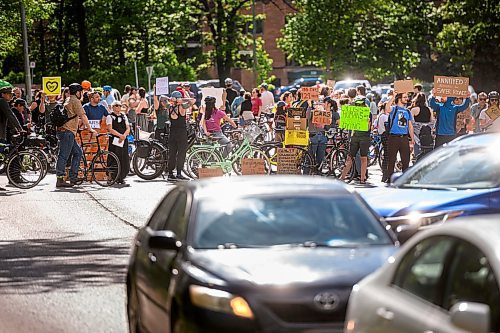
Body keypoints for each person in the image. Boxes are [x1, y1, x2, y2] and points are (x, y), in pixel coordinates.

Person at [55, 83, 96, 188]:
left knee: (78, 152)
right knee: (64, 155)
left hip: (66, 131)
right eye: (81, 92)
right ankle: (60, 179)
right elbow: (83, 115)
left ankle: (73, 177)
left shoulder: (68, 99)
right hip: (67, 132)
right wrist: (90, 128)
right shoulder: (75, 101)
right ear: (78, 92)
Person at [340, 88, 372, 184]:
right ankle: (343, 177)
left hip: (363, 137)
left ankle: (362, 178)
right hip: (357, 137)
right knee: (352, 157)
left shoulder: (367, 113)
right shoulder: (354, 112)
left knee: (361, 158)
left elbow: (368, 127)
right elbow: (347, 124)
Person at [383, 92, 414, 182]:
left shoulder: (407, 111)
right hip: (393, 137)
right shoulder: (394, 109)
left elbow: (410, 125)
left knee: (406, 160)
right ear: (399, 98)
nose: (407, 98)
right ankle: (390, 178)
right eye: (404, 97)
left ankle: (405, 179)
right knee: (391, 159)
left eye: (407, 97)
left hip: (404, 138)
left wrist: (412, 138)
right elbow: (387, 109)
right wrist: (393, 96)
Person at [166, 90, 194, 181]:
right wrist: (182, 100)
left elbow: (162, 99)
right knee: (181, 153)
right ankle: (178, 173)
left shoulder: (169, 107)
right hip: (181, 132)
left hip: (172, 131)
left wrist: (172, 100)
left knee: (172, 153)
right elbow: (192, 101)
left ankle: (170, 174)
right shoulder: (182, 107)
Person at [107, 101, 130, 185]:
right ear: (113, 107)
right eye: (116, 106)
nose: (118, 107)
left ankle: (122, 177)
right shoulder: (110, 116)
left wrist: (124, 136)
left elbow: (128, 128)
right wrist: (119, 135)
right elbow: (110, 129)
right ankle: (111, 176)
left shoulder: (124, 116)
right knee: (113, 157)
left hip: (123, 140)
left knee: (124, 157)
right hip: (114, 140)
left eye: (120, 106)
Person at [410, 92, 434, 157]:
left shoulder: (414, 110)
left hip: (416, 134)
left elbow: (410, 123)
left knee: (417, 151)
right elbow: (432, 121)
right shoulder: (429, 109)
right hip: (426, 133)